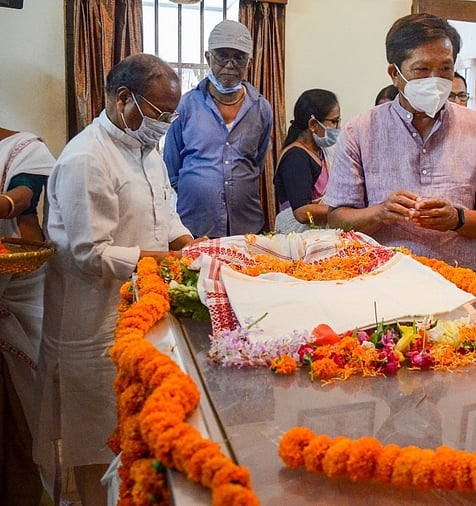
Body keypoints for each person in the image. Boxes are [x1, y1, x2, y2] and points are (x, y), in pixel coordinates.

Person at [35, 54, 200, 506]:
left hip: (140, 311)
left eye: (172, 114)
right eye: (160, 112)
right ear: (124, 98)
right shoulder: (86, 158)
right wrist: (166, 261)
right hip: (92, 323)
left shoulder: (146, 151)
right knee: (94, 437)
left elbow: (167, 215)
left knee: (133, 432)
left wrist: (192, 245)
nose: (165, 124)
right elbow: (91, 254)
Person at [324, 13, 476, 281]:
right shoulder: (360, 131)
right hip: (384, 283)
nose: (436, 80)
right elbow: (337, 219)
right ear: (395, 73)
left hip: (465, 283)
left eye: (446, 69)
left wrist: (457, 218)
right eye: (422, 70)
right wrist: (381, 213)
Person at [164, 20, 274, 238]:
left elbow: (256, 163)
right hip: (195, 228)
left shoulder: (262, 108)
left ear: (249, 63)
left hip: (246, 228)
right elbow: (171, 169)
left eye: (239, 57)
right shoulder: (185, 106)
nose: (230, 65)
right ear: (208, 57)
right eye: (222, 55)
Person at [0, 127, 53, 505]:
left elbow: (25, 195)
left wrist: (3, 203)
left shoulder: (21, 147)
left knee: (18, 417)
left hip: (18, 288)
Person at [274, 89, 341, 233]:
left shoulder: (321, 152)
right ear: (312, 124)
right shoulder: (296, 157)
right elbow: (302, 213)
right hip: (299, 237)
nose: (338, 128)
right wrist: (341, 212)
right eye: (334, 122)